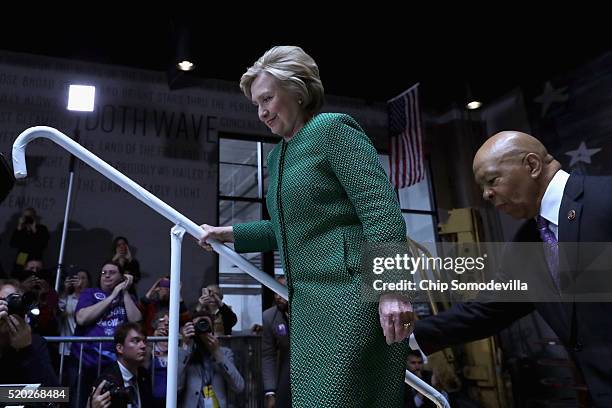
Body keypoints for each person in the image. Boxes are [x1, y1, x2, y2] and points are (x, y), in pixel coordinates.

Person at [198, 45, 415, 407]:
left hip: (352, 295)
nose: (262, 112)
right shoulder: (278, 156)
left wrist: (393, 289)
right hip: (308, 305)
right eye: (256, 104)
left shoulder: (333, 130)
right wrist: (230, 234)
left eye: (267, 98)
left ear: (298, 91)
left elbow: (381, 209)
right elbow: (287, 228)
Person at [411, 130, 612, 406]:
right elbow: (486, 311)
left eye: (492, 180)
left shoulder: (605, 200)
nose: (486, 194)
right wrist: (408, 336)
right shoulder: (526, 243)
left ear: (532, 165)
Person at [72, 261, 142, 408]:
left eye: (112, 272)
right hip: (85, 362)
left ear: (121, 277)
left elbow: (136, 319)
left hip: (113, 364)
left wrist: (125, 291)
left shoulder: (127, 297)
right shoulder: (90, 293)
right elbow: (81, 318)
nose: (107, 275)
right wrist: (111, 297)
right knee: (80, 402)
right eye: (104, 272)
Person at [177, 311, 245, 408]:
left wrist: (217, 353)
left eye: (206, 325)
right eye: (198, 326)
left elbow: (239, 387)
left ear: (212, 329)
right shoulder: (184, 355)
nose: (202, 328)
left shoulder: (225, 353)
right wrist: (185, 346)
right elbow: (174, 389)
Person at [0, 279, 59, 386]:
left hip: (19, 401)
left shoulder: (35, 342)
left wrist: (26, 350)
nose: (7, 309)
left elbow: (55, 395)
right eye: (2, 301)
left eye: (13, 303)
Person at [88, 322, 153, 408]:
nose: (143, 346)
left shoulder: (144, 375)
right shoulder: (106, 382)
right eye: (136, 341)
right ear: (120, 348)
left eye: (144, 341)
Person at [58, 265, 91, 389]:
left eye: (83, 278)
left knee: (81, 384)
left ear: (88, 281)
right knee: (64, 383)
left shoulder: (92, 299)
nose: (80, 281)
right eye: (77, 278)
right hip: (66, 350)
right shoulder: (67, 298)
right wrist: (65, 291)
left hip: (85, 349)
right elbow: (58, 311)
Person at [262, 275, 291, 408]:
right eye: (275, 291)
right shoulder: (269, 317)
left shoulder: (308, 312)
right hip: (287, 367)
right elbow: (268, 355)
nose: (278, 296)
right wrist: (270, 392)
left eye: (282, 290)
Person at [9, 207, 50, 271]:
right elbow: (13, 244)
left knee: (35, 273)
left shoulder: (42, 229)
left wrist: (34, 230)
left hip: (35, 256)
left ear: (34, 217)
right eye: (26, 217)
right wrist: (19, 227)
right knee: (18, 272)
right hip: (22, 256)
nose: (28, 219)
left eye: (30, 216)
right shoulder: (21, 229)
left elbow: (43, 244)